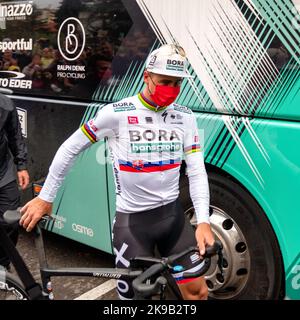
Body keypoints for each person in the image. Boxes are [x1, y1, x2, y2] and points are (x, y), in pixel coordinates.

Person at [19, 44, 215, 300]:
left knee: (197, 293)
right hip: (132, 224)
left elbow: (197, 171)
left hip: (173, 219)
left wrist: (203, 221)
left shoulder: (185, 117)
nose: (172, 90)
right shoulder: (116, 113)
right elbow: (70, 148)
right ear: (147, 77)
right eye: (165, 81)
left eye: (177, 83)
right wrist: (46, 197)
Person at [0, 92, 29, 269]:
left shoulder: (5, 104)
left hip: (4, 173)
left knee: (10, 220)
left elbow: (15, 136)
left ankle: (2, 264)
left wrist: (22, 166)